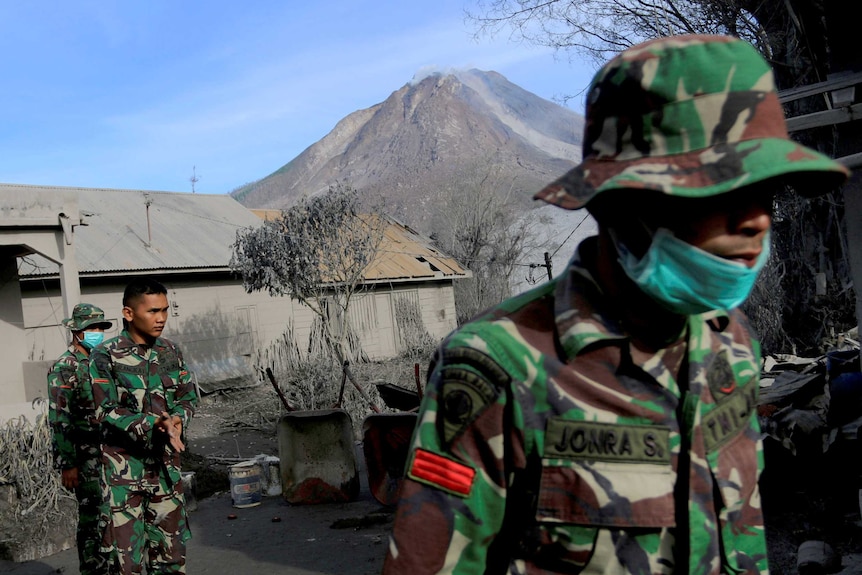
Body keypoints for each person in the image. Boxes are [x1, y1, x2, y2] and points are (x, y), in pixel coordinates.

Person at [382, 34, 849, 575]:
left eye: (767, 192)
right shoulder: (499, 369)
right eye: (720, 191)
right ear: (624, 206)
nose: (758, 220)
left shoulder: (731, 342)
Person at [89, 278, 197, 574]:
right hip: (124, 476)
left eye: (164, 310)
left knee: (171, 558)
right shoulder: (105, 355)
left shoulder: (170, 352)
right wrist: (152, 423)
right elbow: (106, 410)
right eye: (152, 311)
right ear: (128, 313)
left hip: (165, 471)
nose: (161, 318)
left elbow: (188, 398)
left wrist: (177, 419)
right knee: (126, 564)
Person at [47, 303, 113, 575]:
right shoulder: (65, 366)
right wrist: (67, 464)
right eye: (91, 328)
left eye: (100, 328)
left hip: (110, 452)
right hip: (84, 457)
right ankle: (93, 569)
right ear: (77, 331)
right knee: (92, 518)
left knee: (112, 515)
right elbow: (59, 418)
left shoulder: (103, 361)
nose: (97, 332)